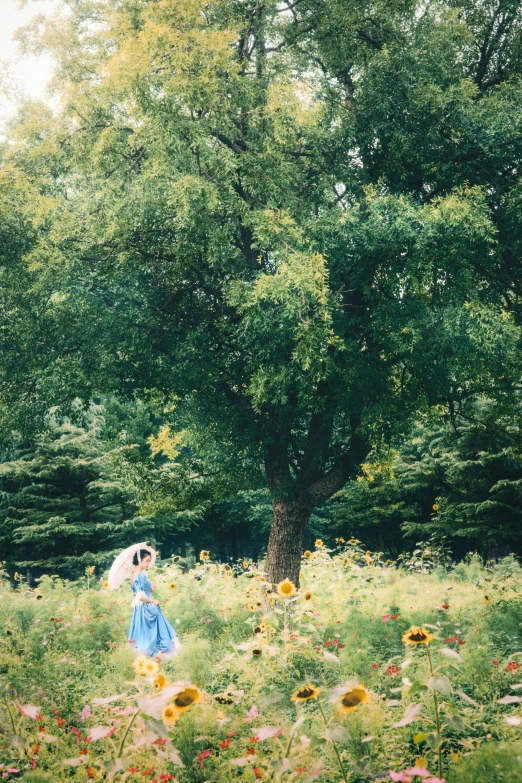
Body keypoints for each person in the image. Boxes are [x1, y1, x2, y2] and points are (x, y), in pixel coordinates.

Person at [128, 548, 181, 659]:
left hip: (139, 610)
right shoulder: (141, 575)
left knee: (144, 633)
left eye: (149, 561)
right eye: (147, 560)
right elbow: (141, 597)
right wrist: (154, 601)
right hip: (147, 608)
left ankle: (145, 654)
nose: (149, 563)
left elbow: (140, 592)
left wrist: (150, 588)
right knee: (158, 631)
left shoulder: (133, 575)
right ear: (139, 559)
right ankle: (159, 654)